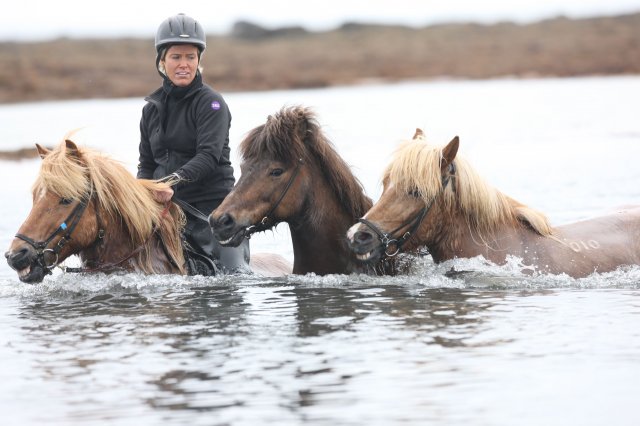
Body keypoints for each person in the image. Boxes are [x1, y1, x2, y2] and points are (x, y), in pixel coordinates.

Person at [137, 13, 250, 275]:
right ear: (162, 61)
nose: (184, 64)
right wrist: (142, 195)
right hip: (167, 210)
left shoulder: (212, 103)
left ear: (199, 60)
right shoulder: (150, 110)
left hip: (213, 212)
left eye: (191, 57)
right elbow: (146, 164)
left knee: (232, 277)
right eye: (176, 57)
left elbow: (208, 156)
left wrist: (169, 183)